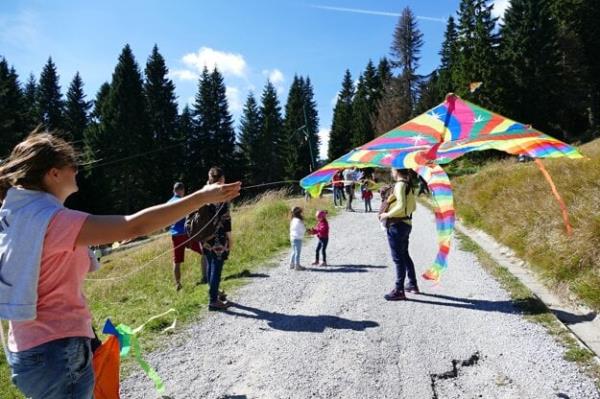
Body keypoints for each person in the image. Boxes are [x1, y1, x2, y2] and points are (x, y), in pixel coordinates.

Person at [0, 132, 240, 399]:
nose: (77, 171)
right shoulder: (52, 220)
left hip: (28, 351)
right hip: (58, 352)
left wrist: (109, 233)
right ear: (54, 173)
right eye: (73, 165)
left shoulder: (17, 216)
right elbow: (134, 224)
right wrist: (201, 197)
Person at [378, 168, 419, 301]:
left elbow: (401, 206)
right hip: (407, 224)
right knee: (405, 254)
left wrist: (387, 214)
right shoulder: (408, 185)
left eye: (392, 169)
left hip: (397, 225)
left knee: (398, 259)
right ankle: (412, 284)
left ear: (396, 171)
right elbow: (413, 207)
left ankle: (399, 290)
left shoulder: (400, 185)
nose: (391, 171)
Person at [201, 167, 234, 311]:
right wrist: (230, 238)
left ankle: (214, 292)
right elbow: (226, 218)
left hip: (205, 237)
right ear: (221, 179)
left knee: (209, 264)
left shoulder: (204, 191)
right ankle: (213, 300)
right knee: (217, 268)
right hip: (218, 237)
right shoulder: (221, 194)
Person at [167, 182, 208, 291]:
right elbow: (191, 214)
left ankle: (178, 285)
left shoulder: (168, 203)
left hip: (175, 236)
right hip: (186, 234)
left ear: (173, 190)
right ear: (182, 190)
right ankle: (205, 277)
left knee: (177, 261)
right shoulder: (182, 201)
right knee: (204, 251)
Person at [289, 206, 306, 270]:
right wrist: (306, 230)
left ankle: (291, 264)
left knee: (293, 251)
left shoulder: (293, 220)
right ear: (299, 213)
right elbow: (303, 229)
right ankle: (297, 265)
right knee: (297, 252)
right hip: (297, 238)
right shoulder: (299, 221)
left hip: (292, 237)